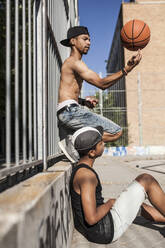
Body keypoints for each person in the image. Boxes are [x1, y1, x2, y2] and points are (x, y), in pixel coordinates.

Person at [57, 26, 142, 162]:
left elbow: (66, 93)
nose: (89, 43)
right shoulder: (75, 63)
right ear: (73, 41)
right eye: (85, 39)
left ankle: (74, 140)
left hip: (67, 110)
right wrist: (127, 69)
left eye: (90, 40)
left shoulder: (71, 64)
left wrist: (84, 102)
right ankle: (73, 141)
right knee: (116, 131)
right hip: (70, 112)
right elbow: (102, 84)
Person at [69, 126, 165, 244]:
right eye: (101, 143)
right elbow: (91, 218)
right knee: (146, 180)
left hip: (101, 229)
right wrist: (110, 203)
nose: (104, 144)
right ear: (92, 152)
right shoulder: (87, 176)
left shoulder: (80, 169)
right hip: (107, 230)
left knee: (137, 203)